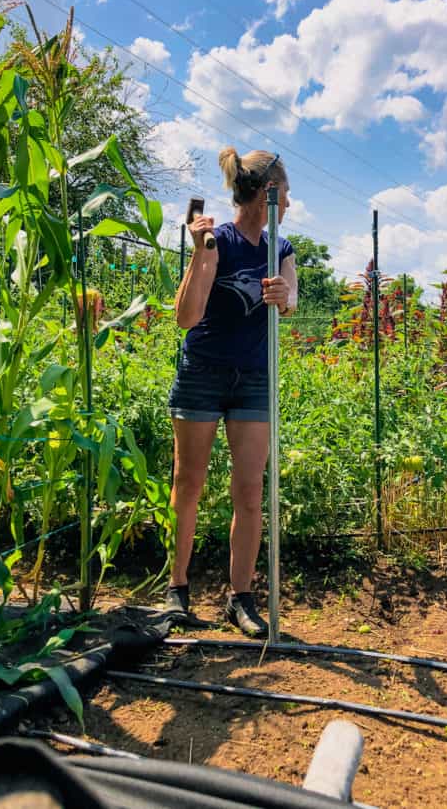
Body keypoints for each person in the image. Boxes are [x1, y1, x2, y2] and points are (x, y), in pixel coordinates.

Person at [165, 147, 297, 636]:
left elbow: (292, 296)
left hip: (255, 378)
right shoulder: (215, 240)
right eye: (286, 194)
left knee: (249, 490)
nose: (290, 204)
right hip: (202, 371)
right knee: (189, 483)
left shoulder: (280, 248)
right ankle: (176, 589)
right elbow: (186, 317)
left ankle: (239, 597)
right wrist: (201, 254)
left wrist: (284, 297)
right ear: (267, 193)